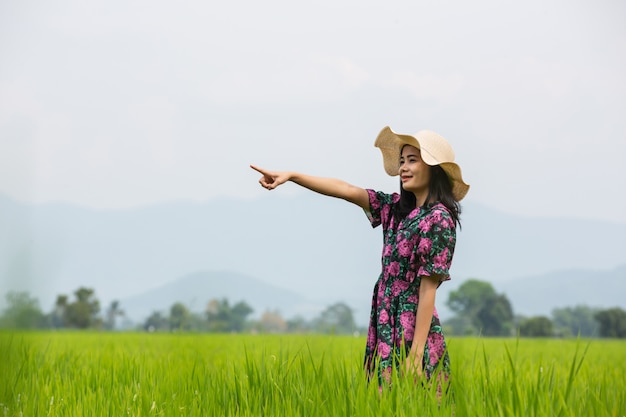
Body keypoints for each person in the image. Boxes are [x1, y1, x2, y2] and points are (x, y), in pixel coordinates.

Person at [250, 126, 469, 387]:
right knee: (384, 399)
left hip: (413, 326)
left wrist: (416, 352)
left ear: (434, 169)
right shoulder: (394, 209)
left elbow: (428, 289)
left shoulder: (438, 219)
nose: (403, 168)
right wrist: (293, 176)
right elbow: (346, 189)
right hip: (385, 318)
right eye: (401, 161)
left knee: (417, 397)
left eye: (412, 160)